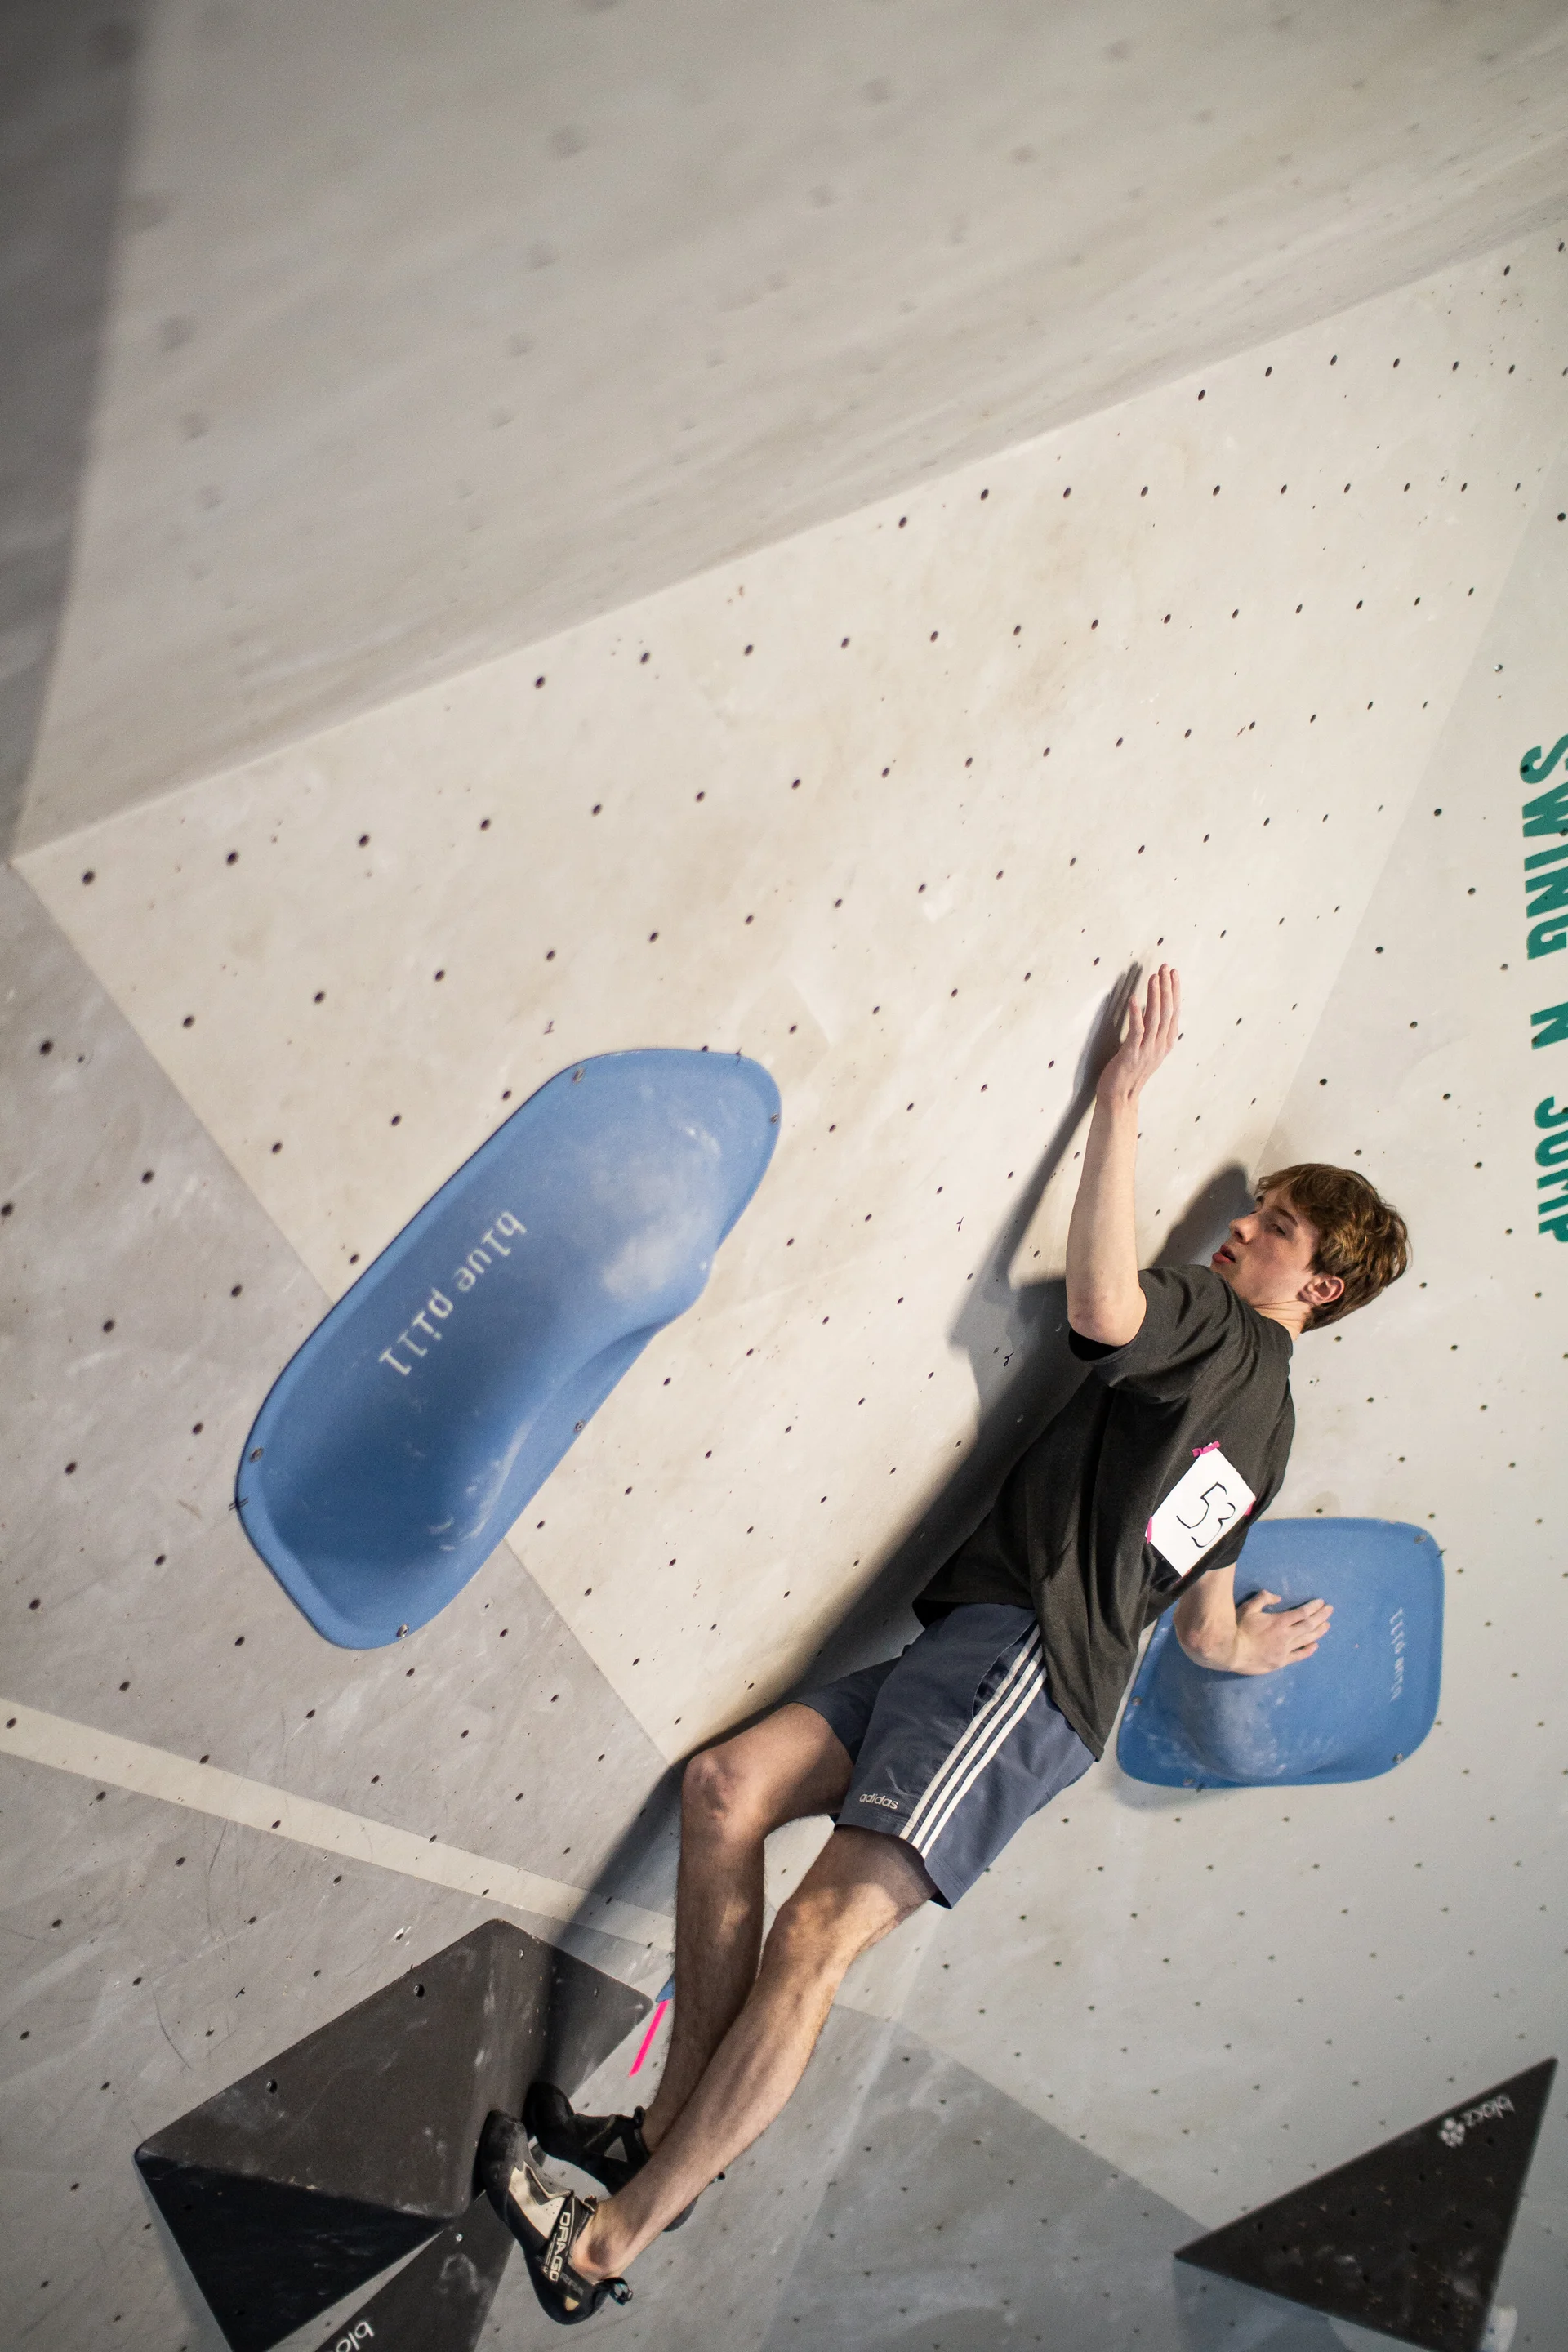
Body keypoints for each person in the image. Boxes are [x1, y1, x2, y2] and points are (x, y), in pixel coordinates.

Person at [478, 965, 1411, 2322]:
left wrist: (1120, 1099)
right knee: (725, 1793)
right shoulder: (1269, 1429)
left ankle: (606, 2245)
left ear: (1315, 1286)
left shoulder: (1220, 1334)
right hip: (1000, 1663)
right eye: (1256, 1212)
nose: (1239, 1232)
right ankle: (657, 2140)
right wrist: (1243, 1648)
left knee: (816, 1938)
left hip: (1021, 1666)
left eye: (1270, 1228)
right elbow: (1194, 1617)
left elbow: (1102, 1307)